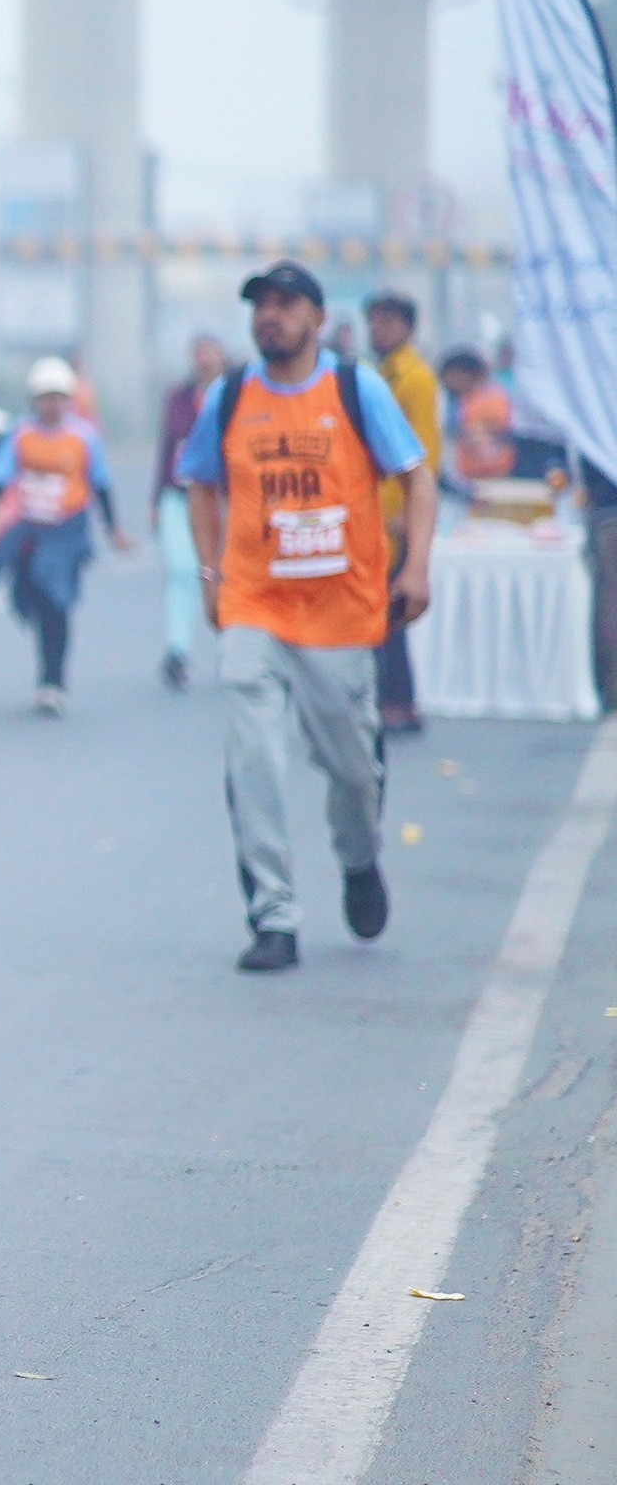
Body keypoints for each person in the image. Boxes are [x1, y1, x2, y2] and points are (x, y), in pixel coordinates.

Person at [180, 262, 436, 974]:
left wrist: (415, 567)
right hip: (255, 606)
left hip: (340, 615)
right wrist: (210, 573)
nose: (270, 315)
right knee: (254, 760)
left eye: (286, 304)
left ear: (318, 319)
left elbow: (417, 479)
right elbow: (199, 483)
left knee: (353, 772)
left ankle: (359, 856)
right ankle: (274, 915)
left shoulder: (357, 388)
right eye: (260, 305)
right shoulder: (231, 395)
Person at [0, 357, 127, 716]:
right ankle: (43, 647)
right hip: (31, 531)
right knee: (28, 596)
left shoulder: (84, 437)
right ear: (34, 401)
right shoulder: (21, 435)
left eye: (58, 398)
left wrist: (112, 529)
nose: (52, 405)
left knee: (57, 603)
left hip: (67, 532)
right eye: (45, 398)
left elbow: (101, 484)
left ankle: (53, 681)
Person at [366, 293, 442, 737]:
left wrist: (413, 512)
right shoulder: (380, 374)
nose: (379, 330)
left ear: (408, 327)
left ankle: (399, 702)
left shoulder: (415, 378)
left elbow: (425, 455)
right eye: (375, 322)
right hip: (375, 513)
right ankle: (389, 699)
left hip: (397, 515)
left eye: (388, 322)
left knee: (392, 611)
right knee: (380, 611)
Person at [152, 335, 227, 692]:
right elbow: (167, 448)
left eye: (209, 353)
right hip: (179, 494)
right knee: (182, 570)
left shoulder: (236, 393)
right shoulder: (177, 398)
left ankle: (231, 644)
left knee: (227, 572)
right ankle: (178, 649)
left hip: (223, 497)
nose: (204, 360)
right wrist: (155, 499)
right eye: (198, 353)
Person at [441, 350, 515, 488]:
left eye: (453, 375)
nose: (448, 382)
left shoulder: (491, 400)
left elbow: (497, 433)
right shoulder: (463, 401)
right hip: (471, 477)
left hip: (493, 475)